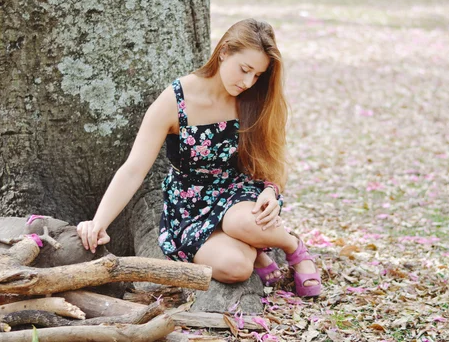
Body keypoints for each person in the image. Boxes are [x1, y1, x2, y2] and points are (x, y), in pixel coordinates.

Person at [76, 18, 321, 297]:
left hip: (238, 194)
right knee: (236, 267)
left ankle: (295, 250)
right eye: (244, 69)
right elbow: (133, 169)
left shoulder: (254, 98)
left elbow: (273, 159)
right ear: (224, 51)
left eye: (257, 75)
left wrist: (270, 189)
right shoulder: (175, 101)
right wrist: (99, 223)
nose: (248, 82)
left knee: (241, 223)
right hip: (190, 205)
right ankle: (254, 251)